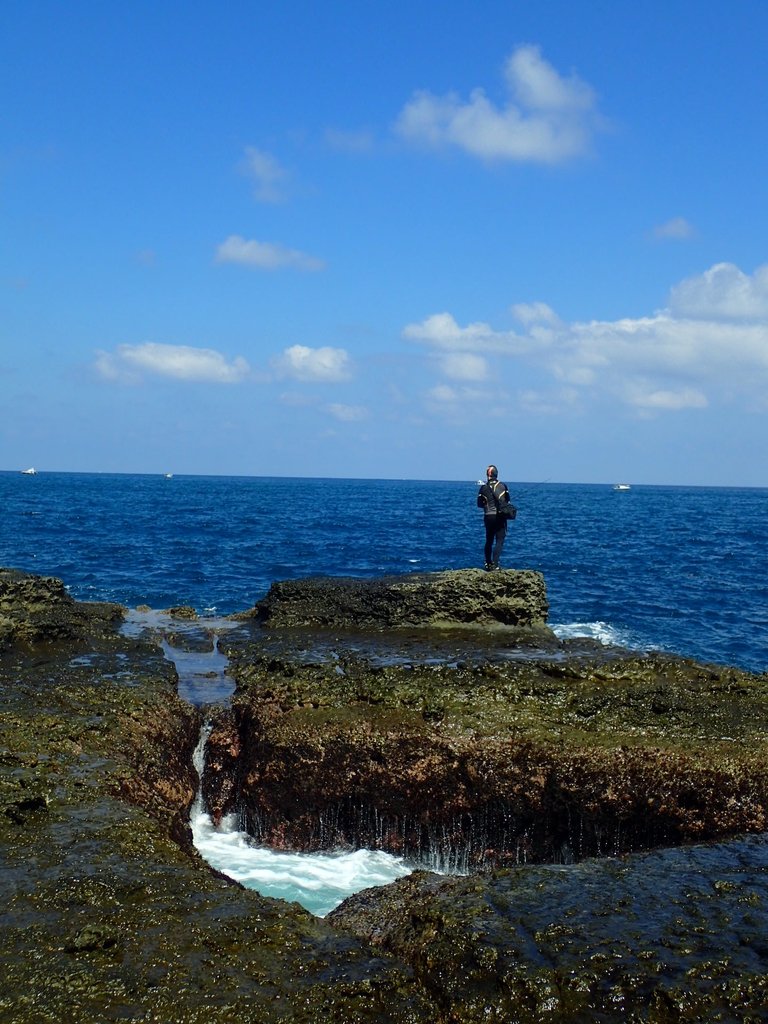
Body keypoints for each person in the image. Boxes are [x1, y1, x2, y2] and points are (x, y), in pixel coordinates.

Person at [477, 464, 511, 570]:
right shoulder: (503, 486)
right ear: (496, 474)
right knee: (499, 540)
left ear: (488, 475)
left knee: (489, 540)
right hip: (500, 517)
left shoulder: (483, 488)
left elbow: (479, 504)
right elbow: (507, 501)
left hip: (488, 517)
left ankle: (488, 563)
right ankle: (495, 565)